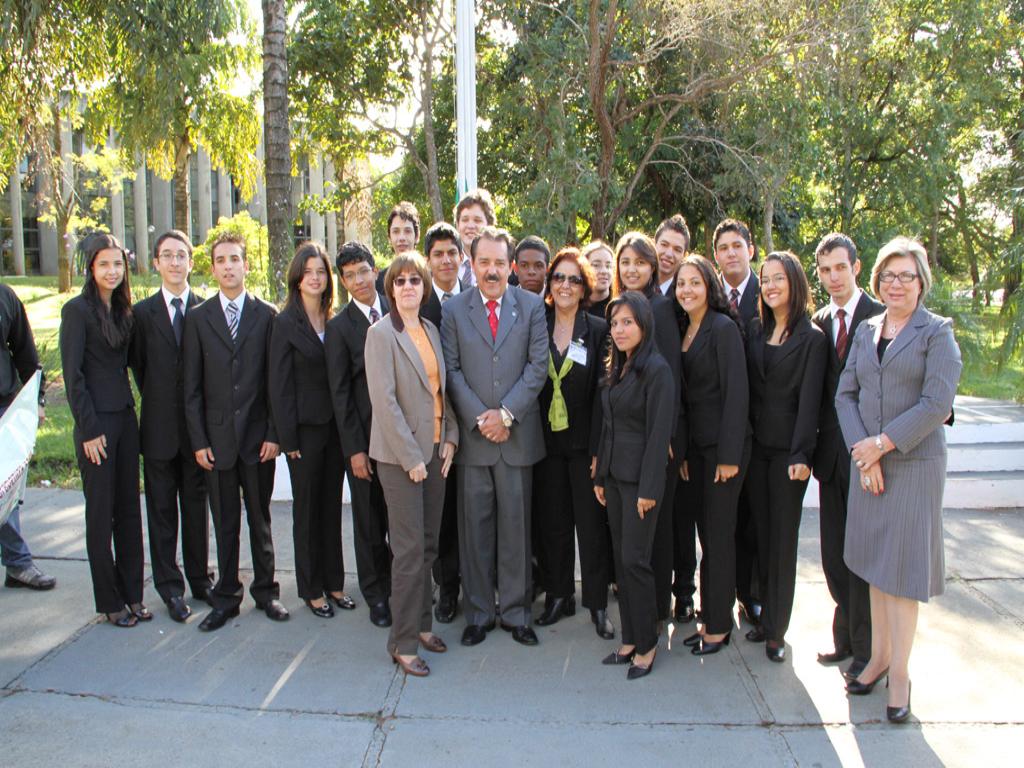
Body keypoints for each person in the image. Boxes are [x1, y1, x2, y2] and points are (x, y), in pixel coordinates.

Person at [838, 237, 961, 724]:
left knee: (903, 575)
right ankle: (879, 658)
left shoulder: (937, 333)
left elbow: (937, 405)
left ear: (921, 281)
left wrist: (882, 445)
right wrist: (862, 452)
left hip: (912, 466)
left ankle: (902, 676)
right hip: (868, 466)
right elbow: (846, 395)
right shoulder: (867, 330)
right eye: (888, 275)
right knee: (875, 565)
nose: (896, 284)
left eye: (906, 276)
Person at [441, 226, 547, 648]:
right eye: (484, 262)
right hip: (474, 441)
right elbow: (451, 370)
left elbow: (537, 367)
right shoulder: (454, 310)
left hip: (516, 438)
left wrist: (505, 415)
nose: (492, 270)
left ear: (511, 266)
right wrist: (481, 418)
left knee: (517, 532)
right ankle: (480, 614)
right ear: (472, 264)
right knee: (475, 533)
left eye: (500, 263)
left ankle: (517, 614)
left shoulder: (531, 307)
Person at [183, 232, 287, 631]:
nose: (228, 266)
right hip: (218, 441)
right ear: (212, 268)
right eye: (221, 260)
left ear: (246, 264)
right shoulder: (199, 318)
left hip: (258, 441)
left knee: (260, 520)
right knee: (225, 522)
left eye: (235, 259)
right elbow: (191, 388)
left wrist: (274, 433)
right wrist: (199, 441)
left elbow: (276, 382)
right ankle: (226, 597)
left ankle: (267, 592)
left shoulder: (267, 315)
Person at [365, 252, 459, 677]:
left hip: (437, 451)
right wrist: (411, 458)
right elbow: (384, 403)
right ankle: (402, 644)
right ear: (390, 289)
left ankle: (422, 627)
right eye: (399, 281)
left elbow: (442, 392)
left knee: (428, 546)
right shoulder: (380, 334)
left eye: (414, 280)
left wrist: (450, 438)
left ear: (424, 287)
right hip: (402, 458)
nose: (407, 287)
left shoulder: (431, 329)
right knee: (407, 553)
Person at [744, 251, 828, 663]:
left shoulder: (812, 339)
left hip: (788, 457)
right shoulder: (756, 330)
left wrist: (802, 453)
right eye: (765, 279)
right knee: (760, 535)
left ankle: (777, 630)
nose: (771, 286)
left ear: (795, 282)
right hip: (756, 451)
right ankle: (763, 615)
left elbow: (811, 402)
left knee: (781, 541)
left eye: (779, 278)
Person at [59, 233, 144, 626]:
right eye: (104, 264)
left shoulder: (124, 311)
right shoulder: (77, 312)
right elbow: (73, 377)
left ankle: (133, 595)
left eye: (117, 264)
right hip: (96, 425)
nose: (112, 271)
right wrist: (89, 429)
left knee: (129, 510)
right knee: (101, 513)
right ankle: (109, 601)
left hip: (125, 418)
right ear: (91, 268)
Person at [129, 230, 212, 622]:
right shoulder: (141, 315)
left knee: (196, 511)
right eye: (167, 255)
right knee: (162, 513)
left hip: (197, 434)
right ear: (157, 263)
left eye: (181, 255)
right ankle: (170, 587)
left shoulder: (205, 309)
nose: (175, 262)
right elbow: (140, 369)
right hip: (159, 431)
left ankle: (200, 579)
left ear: (191, 262)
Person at [811, 233, 883, 680]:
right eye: (825, 270)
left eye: (840, 267)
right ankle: (844, 639)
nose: (833, 277)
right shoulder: (819, 322)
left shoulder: (880, 316)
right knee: (834, 553)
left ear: (856, 268)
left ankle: (867, 649)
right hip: (829, 458)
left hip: (867, 456)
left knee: (863, 555)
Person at [534, 248, 614, 639]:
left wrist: (599, 449)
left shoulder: (598, 329)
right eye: (559, 278)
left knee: (591, 527)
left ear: (584, 287)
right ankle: (558, 595)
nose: (566, 285)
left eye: (574, 279)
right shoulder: (538, 325)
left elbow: (604, 393)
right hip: (547, 445)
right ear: (550, 285)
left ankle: (596, 604)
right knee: (554, 524)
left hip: (585, 445)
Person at [594, 292, 674, 679]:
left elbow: (659, 436)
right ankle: (629, 639)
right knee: (621, 562)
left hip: (641, 483)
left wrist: (648, 489)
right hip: (614, 478)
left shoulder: (657, 370)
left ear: (644, 324)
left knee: (635, 562)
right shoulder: (618, 366)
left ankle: (647, 644)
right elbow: (608, 426)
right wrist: (600, 476)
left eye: (627, 322)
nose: (619, 329)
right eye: (615, 323)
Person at [269, 242, 351, 619]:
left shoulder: (333, 319)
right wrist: (288, 439)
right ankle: (311, 589)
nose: (315, 278)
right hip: (303, 433)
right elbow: (279, 385)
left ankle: (335, 582)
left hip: (335, 429)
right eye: (309, 272)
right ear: (297, 278)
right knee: (307, 511)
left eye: (321, 272)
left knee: (331, 508)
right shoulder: (284, 322)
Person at [673, 255, 749, 655]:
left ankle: (718, 627)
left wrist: (729, 456)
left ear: (709, 287)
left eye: (694, 283)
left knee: (718, 539)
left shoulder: (722, 328)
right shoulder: (685, 328)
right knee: (706, 536)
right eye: (681, 284)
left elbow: (737, 394)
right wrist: (685, 453)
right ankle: (708, 617)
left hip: (724, 452)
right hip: (698, 452)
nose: (686, 290)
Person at [612, 231, 686, 626]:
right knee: (633, 542)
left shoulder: (659, 309)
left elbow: (669, 375)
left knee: (656, 533)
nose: (632, 269)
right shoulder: (621, 308)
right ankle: (640, 615)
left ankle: (656, 610)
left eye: (640, 262)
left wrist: (668, 435)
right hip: (624, 445)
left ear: (653, 267)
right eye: (625, 261)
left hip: (655, 442)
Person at [325, 242, 393, 627]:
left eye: (363, 271)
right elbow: (340, 394)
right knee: (368, 523)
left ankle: (401, 586)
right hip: (364, 443)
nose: (359, 281)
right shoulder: (339, 328)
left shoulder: (397, 309)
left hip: (400, 439)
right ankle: (376, 593)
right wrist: (354, 450)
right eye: (349, 276)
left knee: (399, 519)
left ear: (375, 270)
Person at [713, 218, 762, 628]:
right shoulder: (708, 297)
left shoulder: (770, 292)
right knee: (721, 526)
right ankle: (718, 602)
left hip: (762, 429)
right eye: (723, 248)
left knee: (754, 522)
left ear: (751, 250)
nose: (731, 253)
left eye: (737, 246)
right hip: (720, 431)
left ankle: (753, 596)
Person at [420, 222, 468, 622]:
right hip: (438, 429)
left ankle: (482, 585)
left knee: (477, 512)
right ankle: (447, 589)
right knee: (445, 514)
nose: (446, 260)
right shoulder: (418, 307)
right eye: (438, 254)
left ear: (462, 257)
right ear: (428, 260)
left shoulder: (475, 299)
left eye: (452, 252)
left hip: (479, 425)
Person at [0, 282, 55, 592]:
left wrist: (37, 399)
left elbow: (25, 351)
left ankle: (18, 564)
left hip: (3, 408)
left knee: (4, 489)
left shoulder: (5, 297)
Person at [454, 189, 496, 288]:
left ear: (489, 224)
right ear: (457, 225)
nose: (470, 226)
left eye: (477, 220)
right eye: (465, 220)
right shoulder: (448, 264)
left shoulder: (500, 265)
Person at [654, 215, 690, 296]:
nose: (669, 254)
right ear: (653, 244)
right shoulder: (635, 285)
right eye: (664, 245)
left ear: (685, 256)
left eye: (677, 250)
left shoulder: (685, 296)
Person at [581, 240, 613, 319]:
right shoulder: (574, 305)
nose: (604, 271)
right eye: (596, 265)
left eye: (608, 266)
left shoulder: (620, 307)